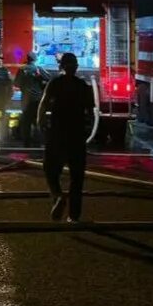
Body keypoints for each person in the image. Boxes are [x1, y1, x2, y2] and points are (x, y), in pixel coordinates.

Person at [38, 52, 95, 222]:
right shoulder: (83, 86)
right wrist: (87, 131)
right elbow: (90, 113)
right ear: (76, 67)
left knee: (50, 169)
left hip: (57, 134)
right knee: (77, 178)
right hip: (77, 136)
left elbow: (44, 103)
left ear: (60, 66)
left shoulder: (55, 83)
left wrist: (40, 122)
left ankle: (58, 196)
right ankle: (74, 216)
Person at [14, 51, 50, 147]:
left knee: (26, 122)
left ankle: (27, 144)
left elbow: (16, 84)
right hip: (37, 100)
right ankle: (38, 143)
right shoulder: (38, 69)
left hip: (25, 100)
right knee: (37, 121)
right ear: (35, 59)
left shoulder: (22, 69)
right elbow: (48, 78)